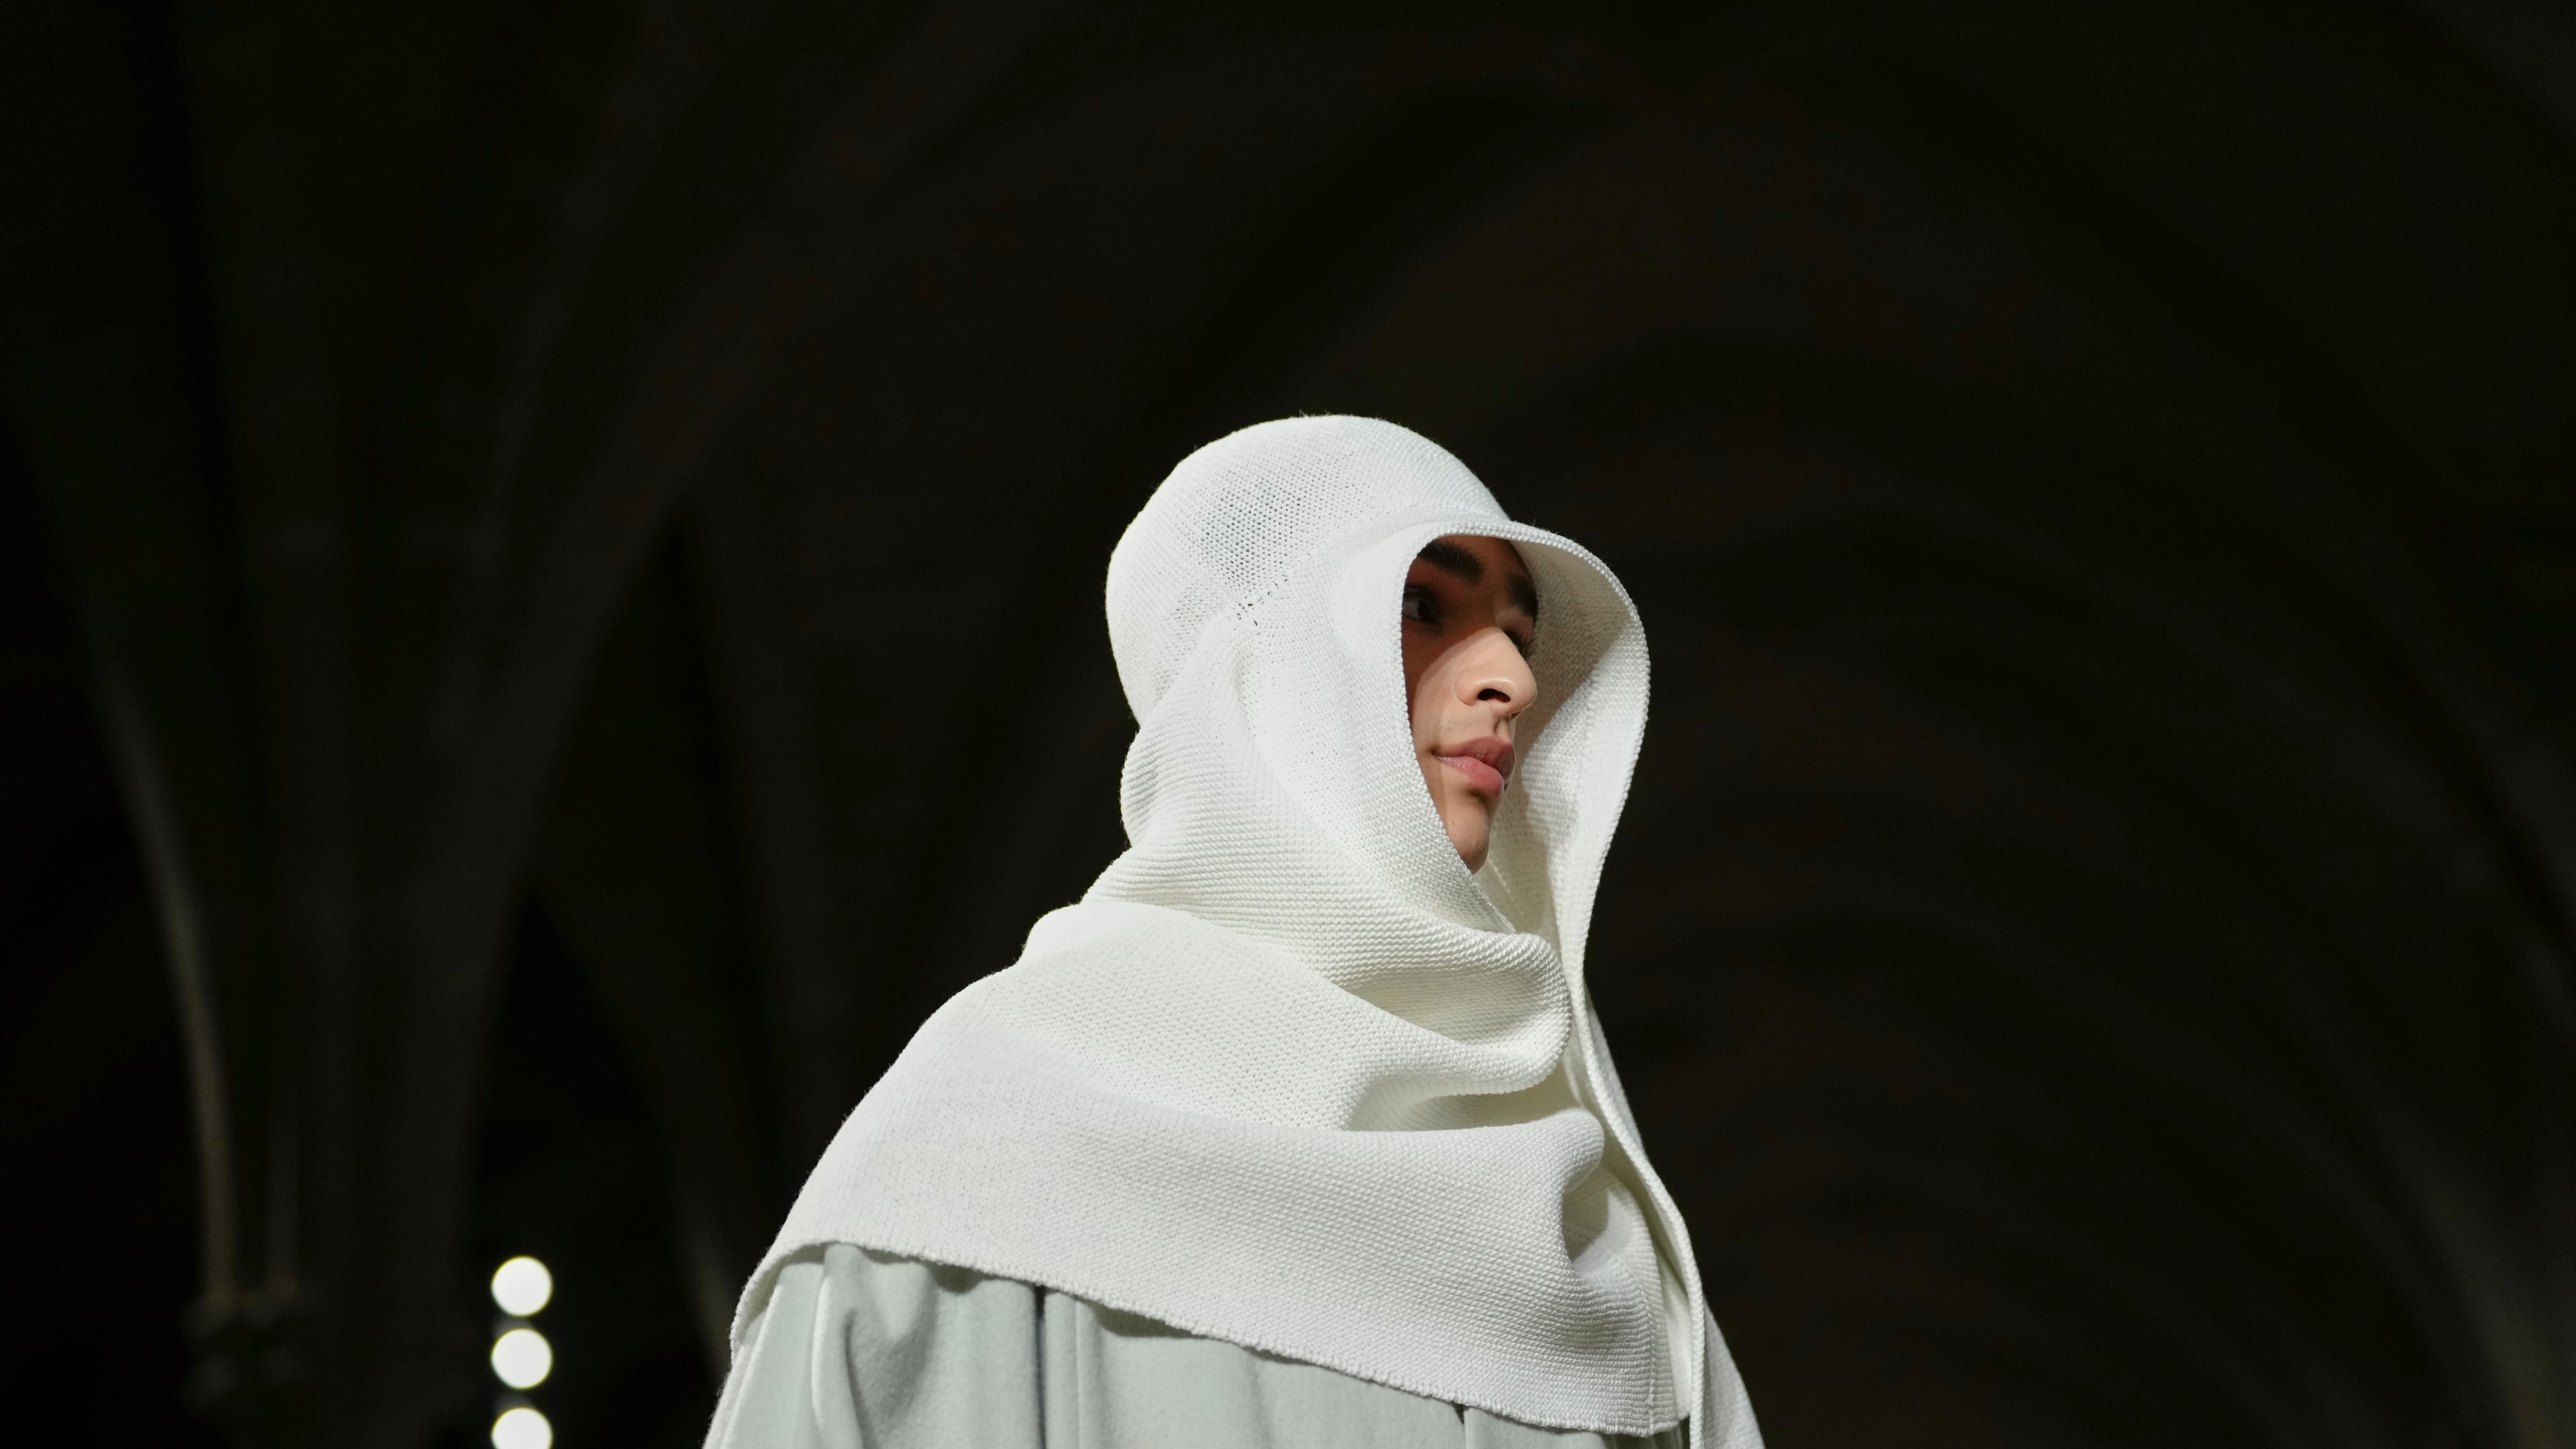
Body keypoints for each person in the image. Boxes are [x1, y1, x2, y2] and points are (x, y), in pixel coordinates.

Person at [702, 417, 1761, 1449]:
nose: (1516, 684)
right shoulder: (979, 1141)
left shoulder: (1583, 1211)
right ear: (1258, 661)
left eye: (1520, 637)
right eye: (1423, 607)